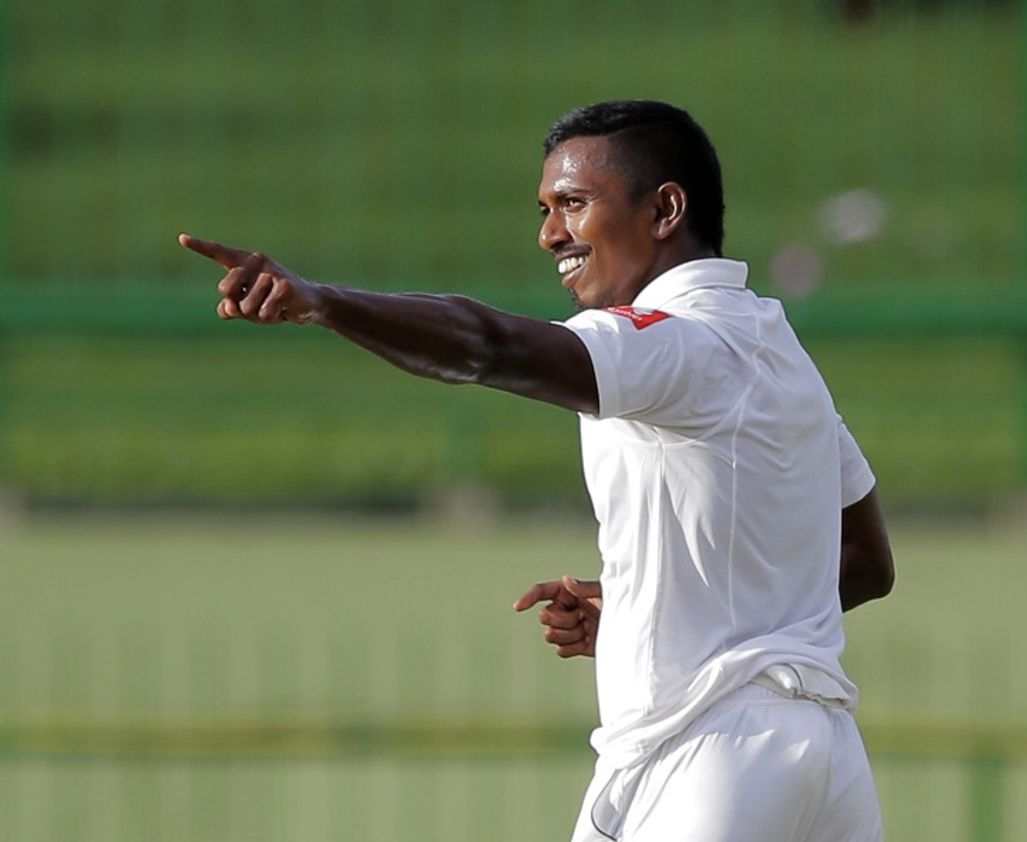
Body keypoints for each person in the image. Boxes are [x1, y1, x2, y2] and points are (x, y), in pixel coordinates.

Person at [180, 99, 894, 842]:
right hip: (828, 760)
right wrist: (646, 608)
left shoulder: (677, 343)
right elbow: (865, 562)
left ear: (665, 210)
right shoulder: (780, 352)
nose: (549, 233)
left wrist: (322, 303)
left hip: (712, 759)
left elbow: (493, 347)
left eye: (572, 204)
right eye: (546, 208)